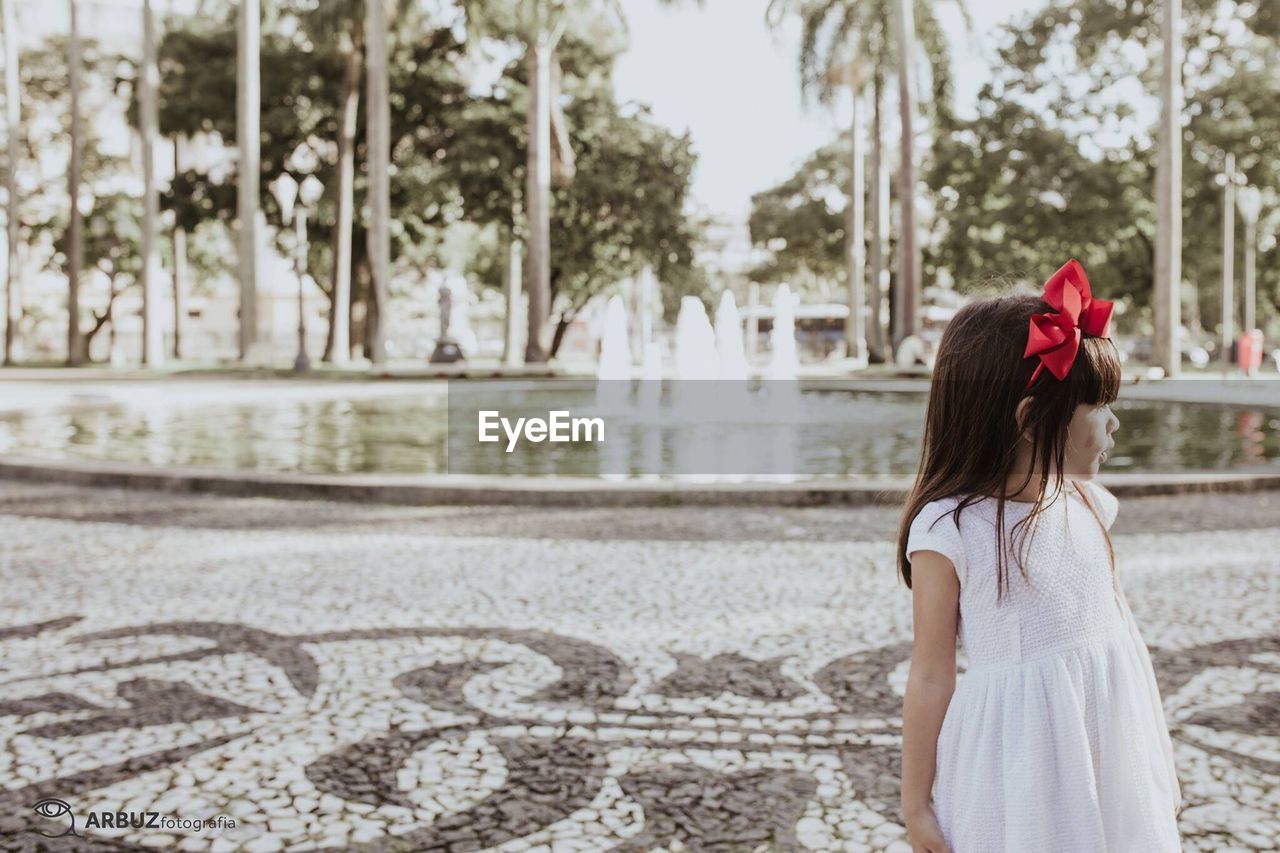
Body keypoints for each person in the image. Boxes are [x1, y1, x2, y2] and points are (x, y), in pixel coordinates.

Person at [896, 260, 1183, 853]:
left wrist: (1155, 756)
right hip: (1017, 769)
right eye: (1098, 407)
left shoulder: (1088, 505)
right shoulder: (951, 531)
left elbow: (1126, 641)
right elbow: (930, 674)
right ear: (1031, 421)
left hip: (1108, 750)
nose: (1114, 423)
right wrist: (915, 803)